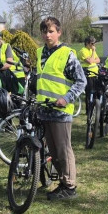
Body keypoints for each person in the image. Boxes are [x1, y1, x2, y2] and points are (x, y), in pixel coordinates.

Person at [35, 16, 86, 201]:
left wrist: (66, 98)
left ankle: (70, 187)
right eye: (44, 31)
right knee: (54, 153)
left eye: (51, 31)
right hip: (44, 109)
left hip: (61, 112)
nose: (47, 35)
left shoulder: (67, 53)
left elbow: (81, 81)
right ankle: (63, 184)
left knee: (64, 151)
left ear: (59, 32)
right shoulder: (39, 52)